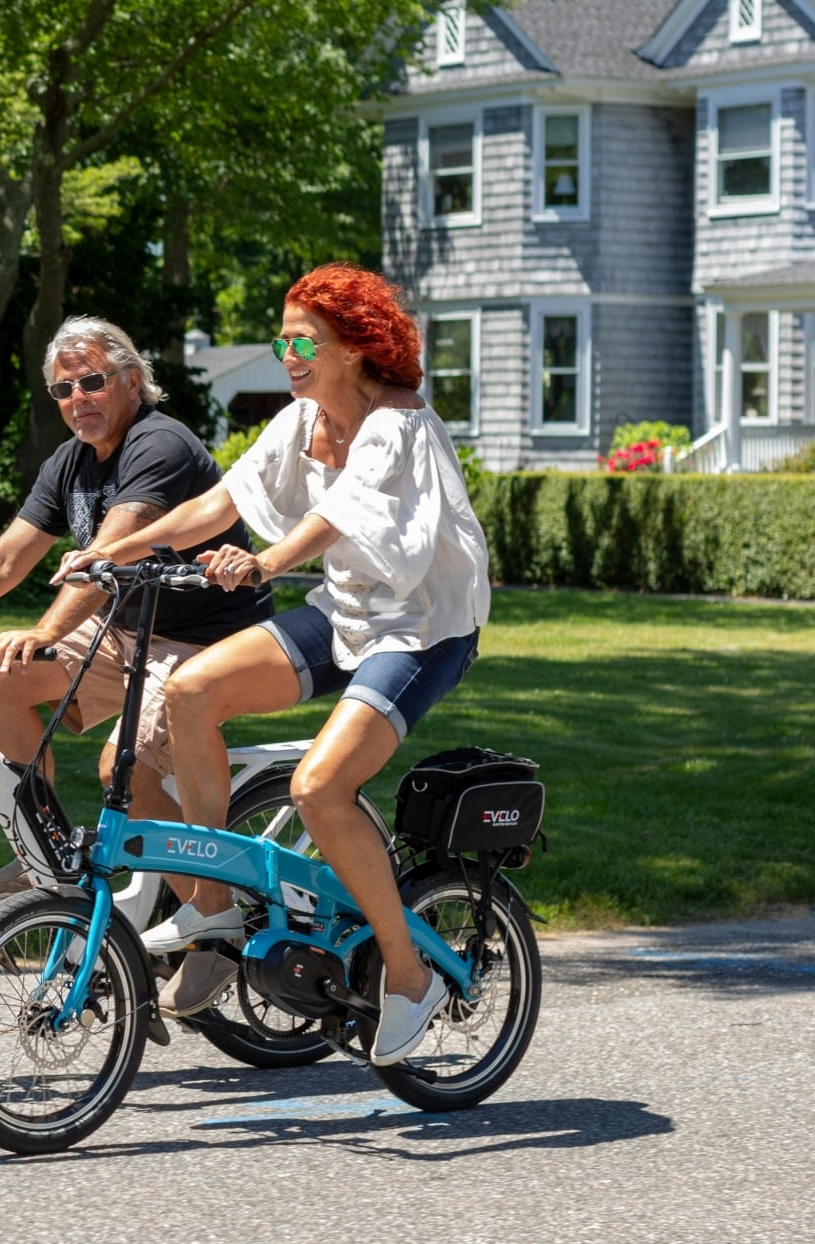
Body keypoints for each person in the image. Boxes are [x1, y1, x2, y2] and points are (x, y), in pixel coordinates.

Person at [55, 264, 490, 1066]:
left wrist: (266, 563)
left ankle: (408, 974)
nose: (287, 354)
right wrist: (106, 553)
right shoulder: (299, 421)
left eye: (303, 340)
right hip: (348, 611)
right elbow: (213, 507)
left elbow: (336, 515)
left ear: (356, 348)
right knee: (190, 691)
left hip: (425, 627)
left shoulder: (398, 422)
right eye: (280, 338)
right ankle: (217, 907)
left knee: (320, 787)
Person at [0, 315, 272, 898]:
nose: (78, 399)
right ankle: (42, 850)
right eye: (63, 389)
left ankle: (213, 931)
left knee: (124, 774)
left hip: (203, 642)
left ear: (131, 380)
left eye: (93, 382)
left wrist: (46, 630)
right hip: (126, 631)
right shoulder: (70, 461)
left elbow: (105, 561)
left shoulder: (160, 445)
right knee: (4, 678)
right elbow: (5, 560)